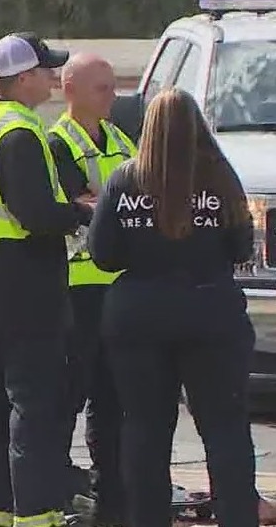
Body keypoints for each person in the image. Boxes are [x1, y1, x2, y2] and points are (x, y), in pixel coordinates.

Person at [88, 87, 258, 527]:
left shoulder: (125, 180)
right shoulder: (221, 177)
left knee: (144, 428)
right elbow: (241, 246)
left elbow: (103, 253)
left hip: (138, 316)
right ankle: (237, 516)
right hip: (211, 312)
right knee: (224, 428)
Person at [0, 31, 94, 527]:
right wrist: (79, 213)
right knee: (35, 405)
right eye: (47, 71)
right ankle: (37, 514)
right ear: (24, 77)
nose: (55, 79)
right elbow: (34, 213)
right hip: (25, 288)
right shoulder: (19, 133)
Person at [47, 53, 136, 526]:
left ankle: (111, 502)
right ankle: (55, 498)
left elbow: (136, 197)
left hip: (120, 288)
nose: (113, 96)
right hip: (77, 288)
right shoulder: (58, 142)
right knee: (66, 398)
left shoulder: (120, 138)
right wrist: (116, 207)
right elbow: (75, 202)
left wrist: (106, 205)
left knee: (112, 399)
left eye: (112, 86)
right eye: (102, 88)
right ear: (72, 91)